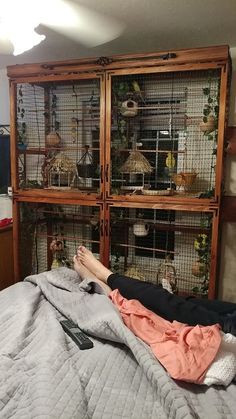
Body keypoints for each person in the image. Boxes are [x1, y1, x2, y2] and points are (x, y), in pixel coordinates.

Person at [73, 246, 236, 336]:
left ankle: (106, 276)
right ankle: (108, 284)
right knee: (186, 303)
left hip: (228, 326)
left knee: (165, 301)